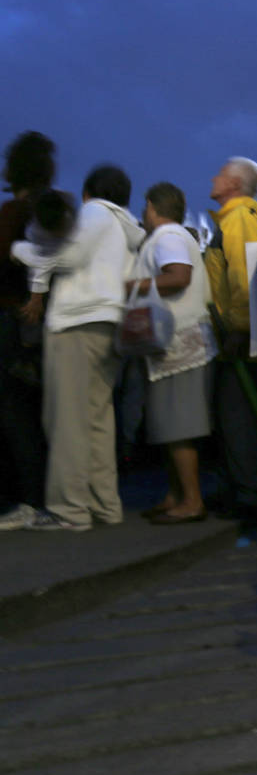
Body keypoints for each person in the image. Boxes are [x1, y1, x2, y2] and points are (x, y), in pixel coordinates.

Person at [13, 165, 146, 531]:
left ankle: (70, 510)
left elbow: (66, 256)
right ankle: (105, 505)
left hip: (76, 322)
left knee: (67, 419)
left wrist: (21, 248)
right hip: (109, 326)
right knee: (98, 418)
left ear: (89, 192)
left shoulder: (94, 213)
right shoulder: (126, 227)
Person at [129, 182, 217, 524]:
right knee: (169, 425)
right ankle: (175, 494)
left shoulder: (168, 237)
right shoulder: (174, 236)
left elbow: (178, 276)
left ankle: (192, 501)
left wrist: (131, 286)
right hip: (176, 344)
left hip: (181, 343)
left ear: (151, 207)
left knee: (178, 427)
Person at [205, 157, 257, 526]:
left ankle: (249, 497)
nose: (213, 177)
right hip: (250, 339)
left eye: (220, 172)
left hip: (243, 342)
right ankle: (241, 490)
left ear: (234, 184)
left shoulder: (239, 219)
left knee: (240, 421)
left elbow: (248, 278)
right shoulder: (248, 217)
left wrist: (239, 330)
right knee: (240, 419)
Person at [0, 132, 54, 530]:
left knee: (12, 412)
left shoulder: (13, 212)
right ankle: (40, 495)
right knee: (35, 412)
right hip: (43, 325)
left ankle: (25, 499)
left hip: (11, 320)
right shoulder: (48, 211)